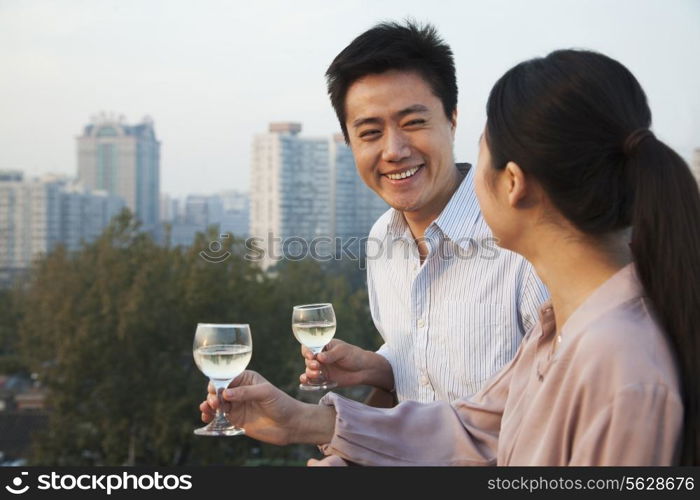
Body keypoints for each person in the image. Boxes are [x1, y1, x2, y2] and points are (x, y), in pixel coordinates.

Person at [201, 48, 699, 465]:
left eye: (481, 157)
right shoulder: (557, 329)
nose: (395, 150)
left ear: (512, 183)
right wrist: (301, 418)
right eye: (370, 132)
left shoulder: (619, 363)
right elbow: (474, 429)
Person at [299, 20, 547, 407]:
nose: (394, 150)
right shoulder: (383, 238)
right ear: (349, 143)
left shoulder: (523, 238)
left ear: (452, 120)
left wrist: (311, 424)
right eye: (369, 133)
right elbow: (423, 384)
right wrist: (377, 368)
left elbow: (559, 408)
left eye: (413, 123)